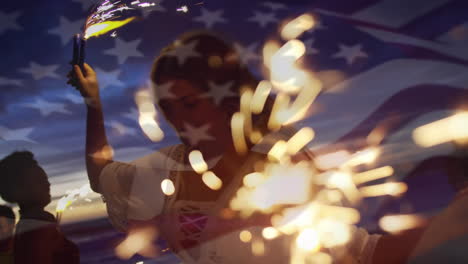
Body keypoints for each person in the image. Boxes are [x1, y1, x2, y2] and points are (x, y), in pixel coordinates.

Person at [69, 30, 422, 263]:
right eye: (167, 108)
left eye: (190, 103)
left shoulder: (284, 159)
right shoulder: (162, 171)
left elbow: (345, 245)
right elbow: (102, 175)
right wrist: (94, 105)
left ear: (228, 98)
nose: (178, 120)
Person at [0, 151, 80, 264]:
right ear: (20, 189)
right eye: (39, 180)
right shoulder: (37, 225)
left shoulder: (26, 224)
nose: (48, 184)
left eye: (46, 179)